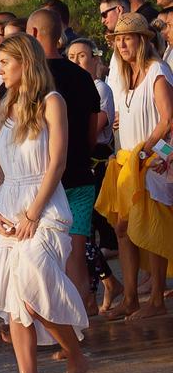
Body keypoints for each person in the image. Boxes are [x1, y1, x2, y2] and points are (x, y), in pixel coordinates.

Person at [0, 34, 89, 373]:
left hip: (44, 205)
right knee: (17, 301)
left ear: (25, 63)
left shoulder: (52, 101)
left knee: (35, 285)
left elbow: (57, 163)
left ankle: (75, 355)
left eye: (4, 62)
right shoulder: (3, 105)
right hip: (9, 206)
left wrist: (32, 212)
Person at [96, 13, 173, 320]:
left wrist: (151, 153)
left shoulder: (157, 70)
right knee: (123, 229)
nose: (122, 44)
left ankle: (156, 299)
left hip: (150, 161)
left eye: (128, 38)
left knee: (148, 228)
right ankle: (130, 298)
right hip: (128, 159)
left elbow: (168, 120)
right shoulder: (126, 76)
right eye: (118, 39)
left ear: (143, 40)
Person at [27, 8, 101, 315]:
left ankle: (54, 325)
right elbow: (93, 132)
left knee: (45, 258)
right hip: (79, 175)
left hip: (40, 181)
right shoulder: (83, 77)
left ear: (32, 35)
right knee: (75, 254)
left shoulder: (29, 80)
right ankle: (79, 324)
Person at [67, 38, 122, 314]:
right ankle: (103, 284)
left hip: (97, 165)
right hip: (83, 165)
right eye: (72, 56)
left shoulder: (100, 88)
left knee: (85, 235)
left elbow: (97, 126)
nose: (77, 61)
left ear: (95, 59)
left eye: (82, 56)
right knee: (82, 237)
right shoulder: (75, 87)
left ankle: (98, 288)